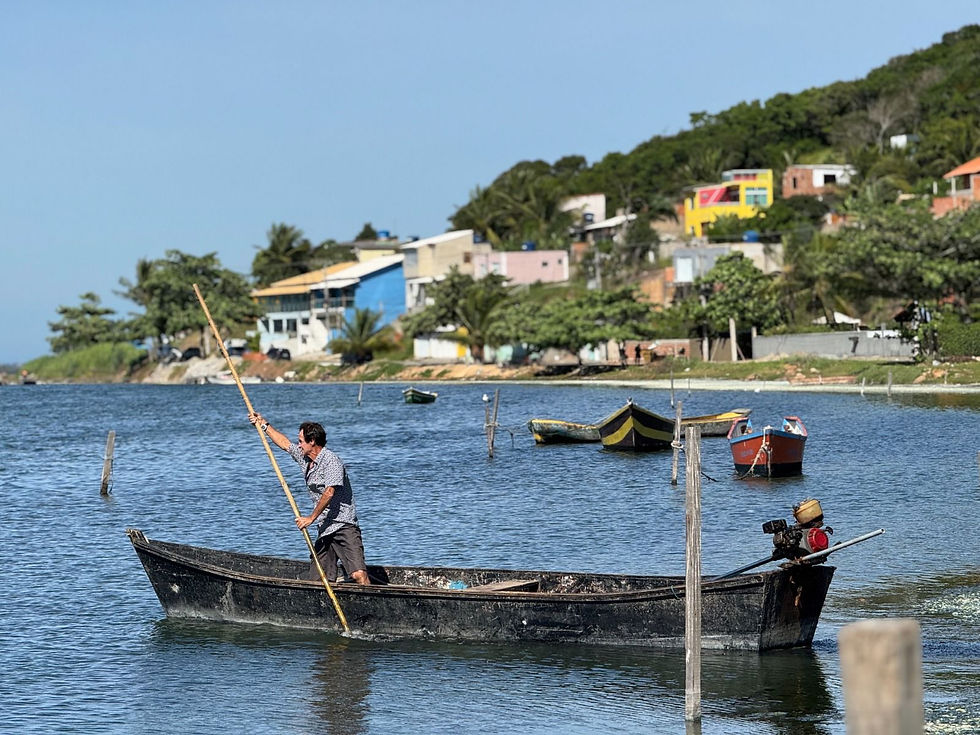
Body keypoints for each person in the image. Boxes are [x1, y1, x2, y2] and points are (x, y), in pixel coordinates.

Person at [248, 411, 370, 585]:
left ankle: (370, 607)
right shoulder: (305, 458)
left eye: (301, 441)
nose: (298, 445)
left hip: (343, 524)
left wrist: (310, 518)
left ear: (312, 441)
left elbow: (329, 492)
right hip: (325, 527)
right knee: (319, 580)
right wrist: (264, 425)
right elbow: (285, 444)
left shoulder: (331, 461)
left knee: (359, 574)